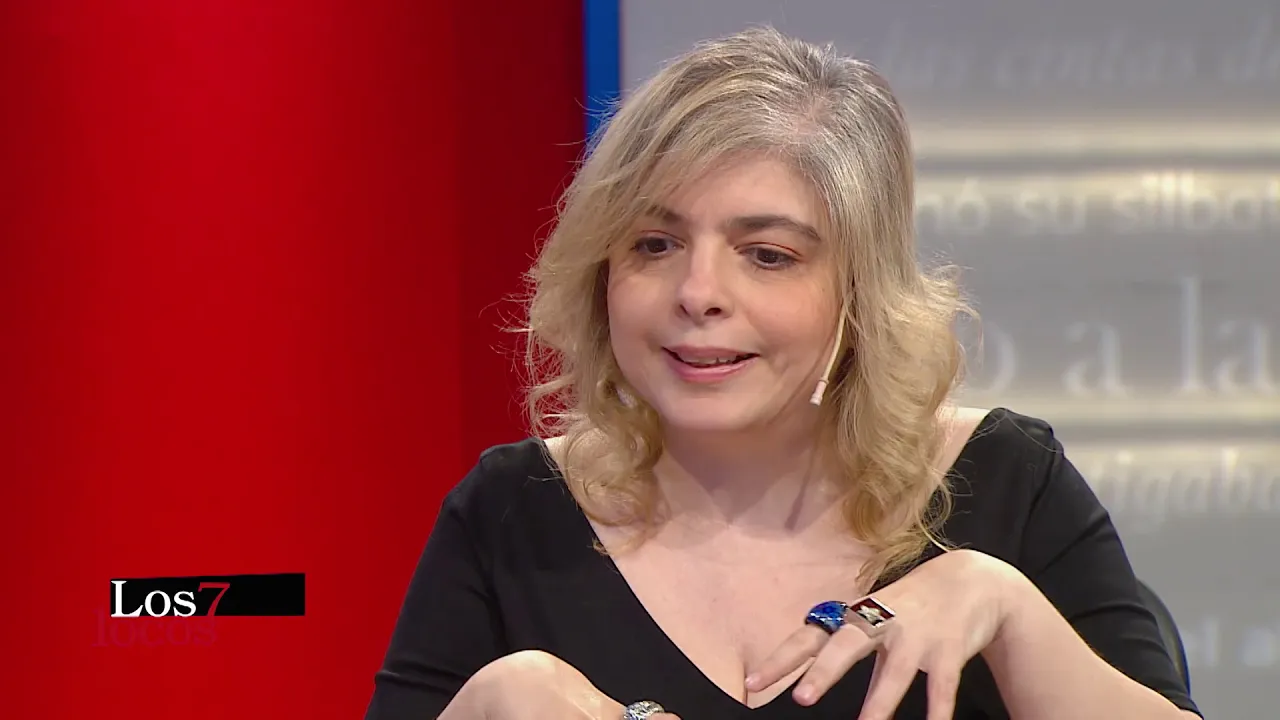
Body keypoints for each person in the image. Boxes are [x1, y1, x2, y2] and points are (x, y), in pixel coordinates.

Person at [364, 27, 1202, 720]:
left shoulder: (1008, 481)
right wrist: (486, 706)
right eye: (654, 244)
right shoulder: (512, 512)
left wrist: (1012, 615)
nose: (697, 292)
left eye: (767, 255)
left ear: (859, 294)